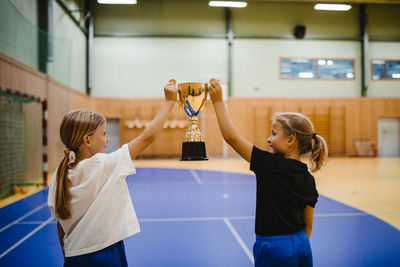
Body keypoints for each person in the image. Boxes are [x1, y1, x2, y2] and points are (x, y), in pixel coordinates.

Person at [47, 80, 178, 266]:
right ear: (87, 140)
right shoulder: (104, 165)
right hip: (105, 255)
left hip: (73, 256)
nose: (108, 140)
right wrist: (169, 102)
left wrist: (68, 258)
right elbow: (148, 137)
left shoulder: (60, 175)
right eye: (103, 134)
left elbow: (60, 226)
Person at [208, 78, 328, 267]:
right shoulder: (308, 179)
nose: (268, 138)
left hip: (274, 248)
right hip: (302, 245)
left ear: (291, 140)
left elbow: (231, 138)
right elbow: (309, 225)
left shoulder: (269, 165)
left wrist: (217, 101)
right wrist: (296, 246)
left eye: (273, 133)